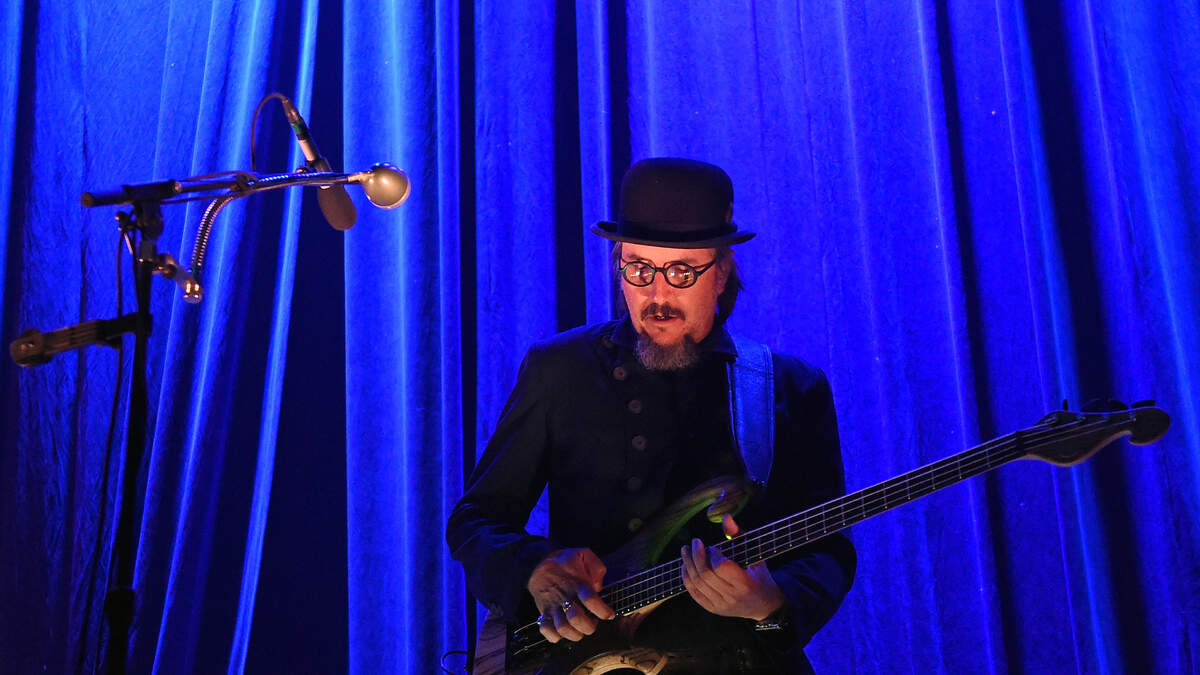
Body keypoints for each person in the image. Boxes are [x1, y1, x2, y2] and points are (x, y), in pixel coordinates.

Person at [446, 158, 856, 673]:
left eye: (682, 272)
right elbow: (475, 520)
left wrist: (769, 605)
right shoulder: (560, 368)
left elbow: (827, 550)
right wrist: (534, 568)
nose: (657, 296)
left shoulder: (791, 386)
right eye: (639, 269)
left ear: (721, 272)